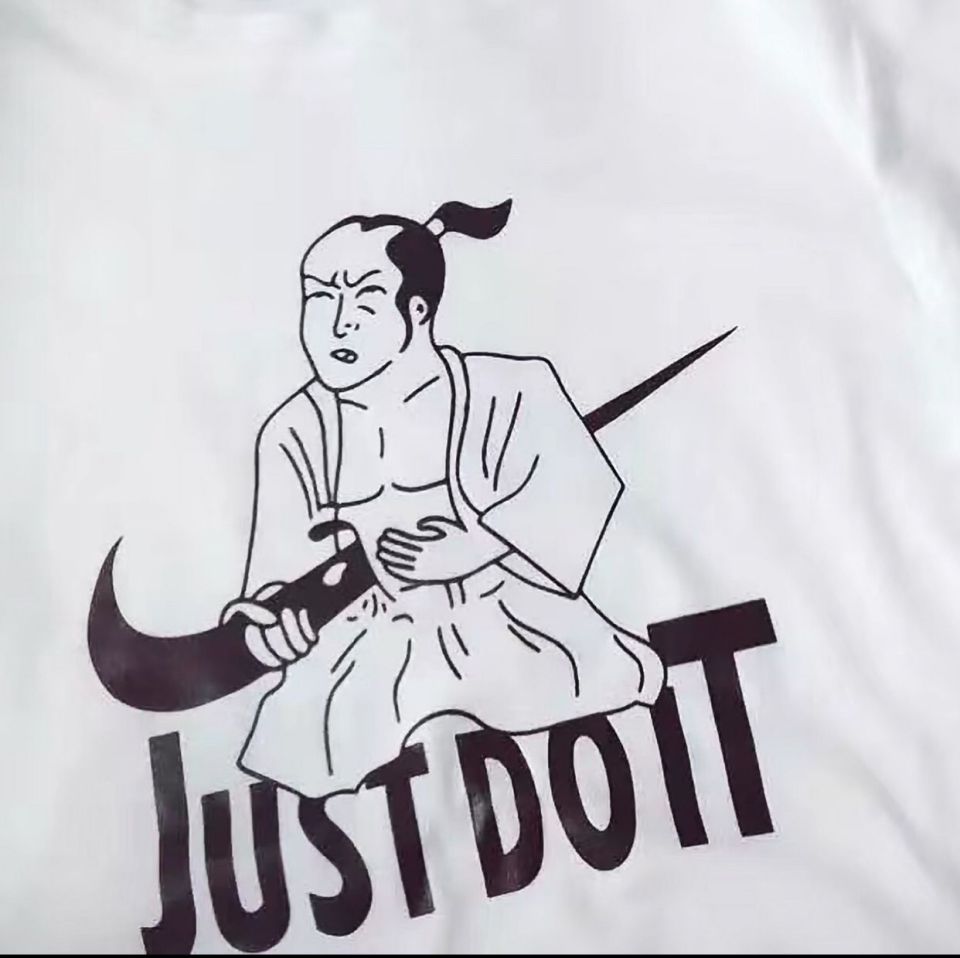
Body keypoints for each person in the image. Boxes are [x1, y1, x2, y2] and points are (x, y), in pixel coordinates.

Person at [221, 199, 664, 799]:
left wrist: (477, 548)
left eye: (366, 299)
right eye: (319, 297)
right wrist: (272, 630)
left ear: (418, 311)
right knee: (315, 761)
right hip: (362, 659)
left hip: (514, 624)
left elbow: (577, 497)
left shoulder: (510, 388)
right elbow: (274, 576)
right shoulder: (294, 432)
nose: (337, 324)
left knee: (586, 699)